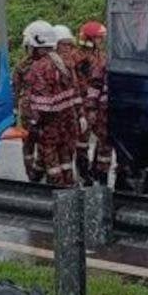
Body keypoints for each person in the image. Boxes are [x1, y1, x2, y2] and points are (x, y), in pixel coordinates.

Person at [21, 23, 79, 187]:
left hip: (49, 126)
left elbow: (43, 105)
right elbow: (74, 93)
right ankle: (72, 191)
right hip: (67, 123)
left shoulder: (38, 68)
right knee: (66, 160)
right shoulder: (64, 62)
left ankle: (60, 199)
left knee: (52, 165)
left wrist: (33, 124)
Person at [13, 20, 52, 182]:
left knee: (34, 145)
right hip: (40, 113)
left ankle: (35, 175)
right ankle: (37, 175)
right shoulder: (53, 63)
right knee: (38, 145)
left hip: (38, 113)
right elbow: (15, 89)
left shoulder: (24, 65)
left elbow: (15, 90)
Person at [77, 20, 113, 185]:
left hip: (100, 106)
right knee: (82, 141)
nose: (101, 41)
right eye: (98, 38)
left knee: (105, 139)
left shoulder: (102, 55)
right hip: (85, 105)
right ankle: (83, 172)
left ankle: (99, 172)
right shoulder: (79, 58)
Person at [53, 24, 89, 183]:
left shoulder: (70, 65)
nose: (68, 48)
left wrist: (80, 114)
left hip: (69, 116)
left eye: (69, 44)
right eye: (64, 44)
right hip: (52, 119)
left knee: (68, 151)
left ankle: (68, 183)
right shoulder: (47, 66)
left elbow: (75, 92)